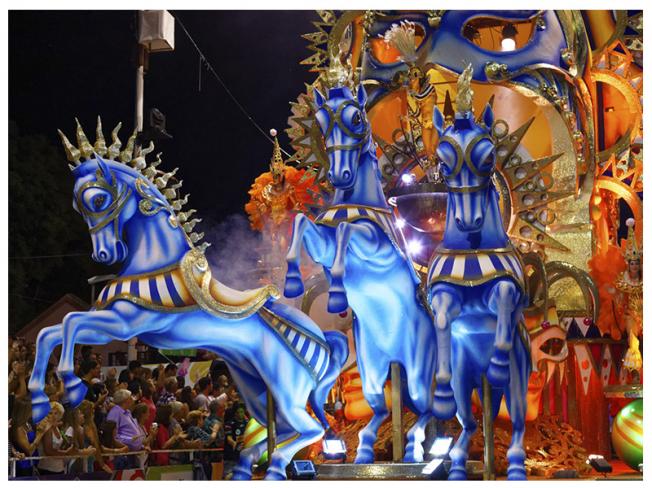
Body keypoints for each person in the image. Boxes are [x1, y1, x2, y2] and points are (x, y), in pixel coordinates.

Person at [10, 397, 52, 477]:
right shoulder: (18, 428)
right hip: (22, 467)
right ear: (25, 411)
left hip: (32, 464)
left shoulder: (28, 424)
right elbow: (29, 451)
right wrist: (41, 433)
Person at [106, 389, 143, 469]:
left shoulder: (127, 412)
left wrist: (141, 445)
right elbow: (112, 435)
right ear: (126, 400)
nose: (133, 399)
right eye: (130, 397)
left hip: (131, 454)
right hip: (121, 454)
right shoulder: (115, 413)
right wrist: (127, 442)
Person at [37, 402, 74, 476]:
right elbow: (48, 451)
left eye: (56, 413)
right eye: (50, 413)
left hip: (59, 468)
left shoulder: (56, 427)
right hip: (47, 469)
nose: (53, 416)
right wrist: (66, 453)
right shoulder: (46, 428)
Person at [132, 403, 157, 468]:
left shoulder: (143, 427)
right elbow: (139, 442)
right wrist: (151, 435)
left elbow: (147, 443)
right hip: (136, 460)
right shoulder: (135, 427)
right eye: (148, 412)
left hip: (144, 459)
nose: (149, 414)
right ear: (142, 414)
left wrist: (152, 436)